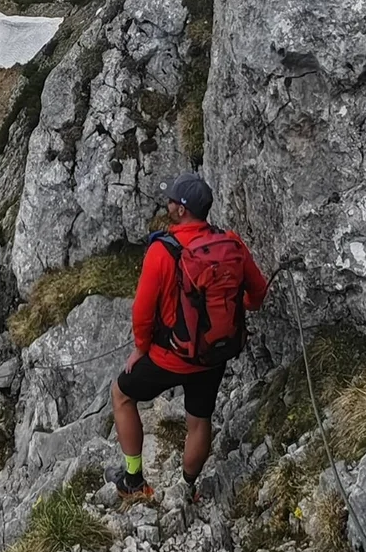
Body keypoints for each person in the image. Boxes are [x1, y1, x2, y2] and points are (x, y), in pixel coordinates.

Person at [111, 172, 268, 501]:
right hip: (213, 354)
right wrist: (229, 310)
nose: (167, 202)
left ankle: (133, 479)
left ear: (181, 210)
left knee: (122, 394)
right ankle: (188, 487)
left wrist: (141, 349)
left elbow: (141, 311)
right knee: (199, 419)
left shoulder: (163, 252)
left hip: (171, 356)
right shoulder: (230, 242)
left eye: (172, 199)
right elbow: (257, 293)